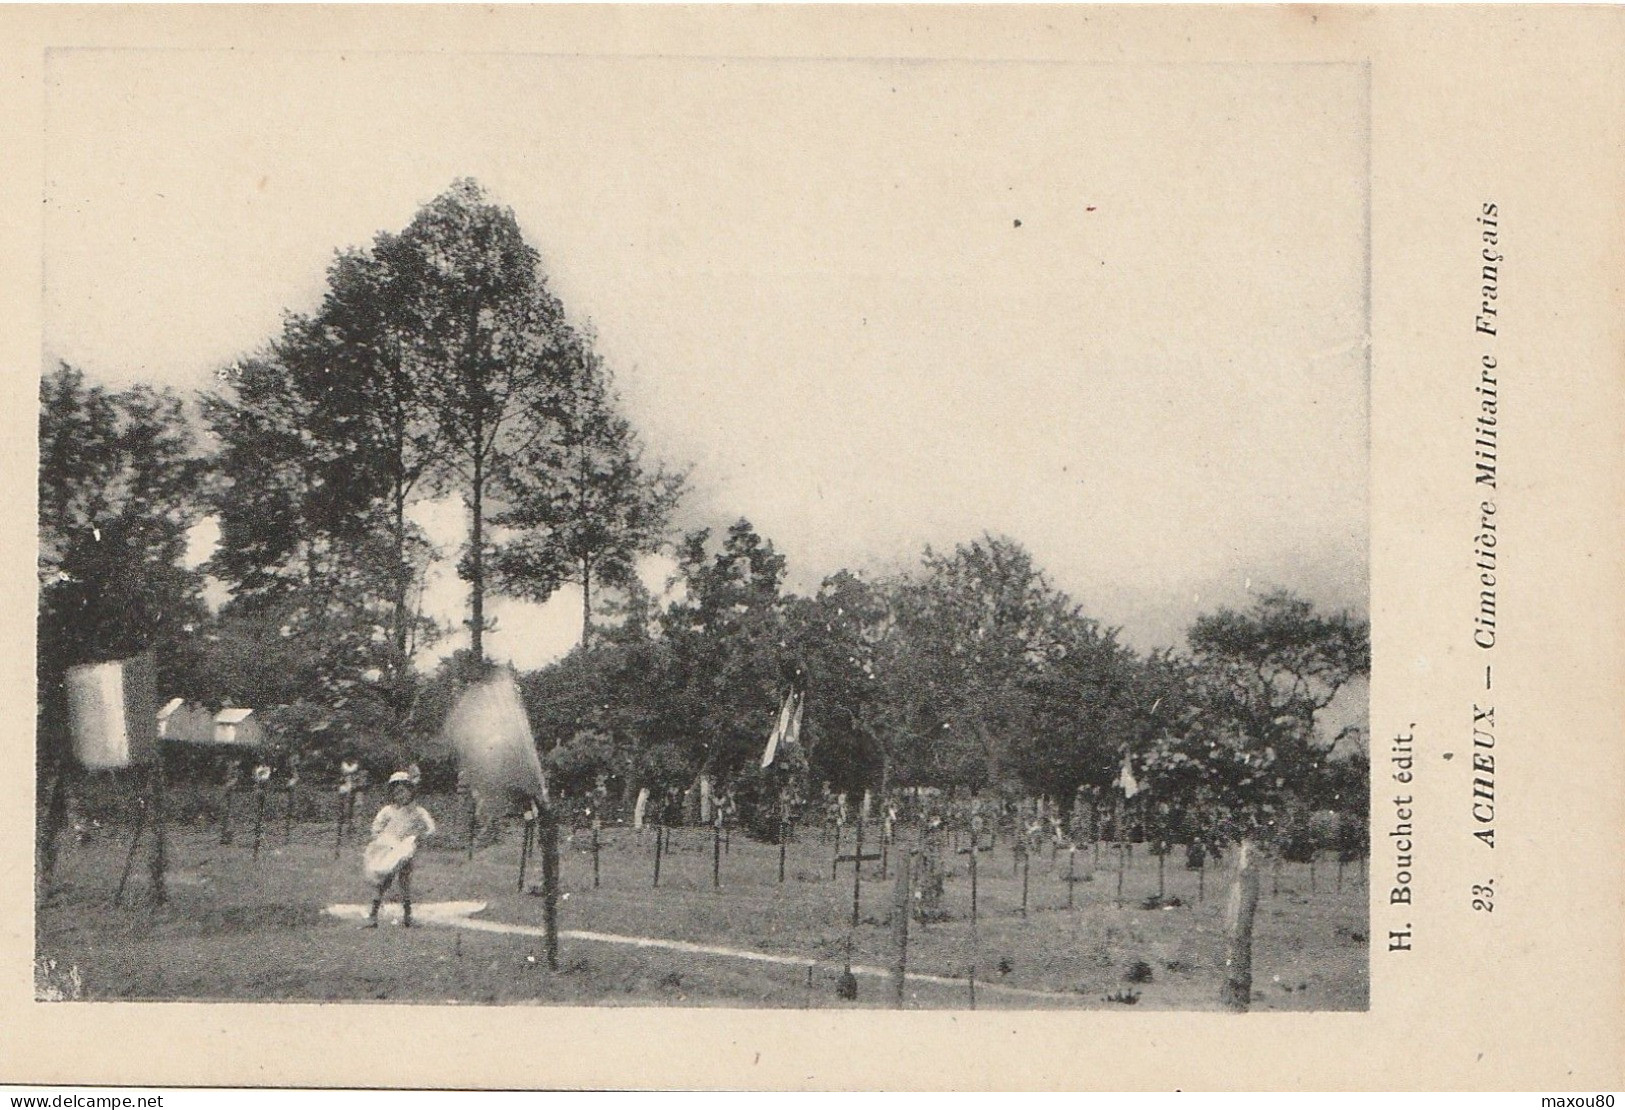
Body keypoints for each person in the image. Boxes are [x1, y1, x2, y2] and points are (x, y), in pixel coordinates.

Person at [362, 771, 437, 928]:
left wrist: (419, 835)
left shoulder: (417, 812)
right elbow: (376, 827)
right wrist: (381, 839)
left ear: (411, 791)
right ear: (392, 794)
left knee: (404, 882)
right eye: (396, 792)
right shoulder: (388, 811)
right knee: (383, 882)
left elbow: (431, 828)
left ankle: (408, 917)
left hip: (405, 851)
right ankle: (373, 916)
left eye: (403, 791)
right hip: (389, 850)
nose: (400, 795)